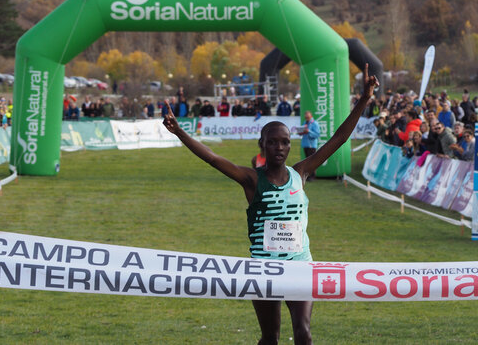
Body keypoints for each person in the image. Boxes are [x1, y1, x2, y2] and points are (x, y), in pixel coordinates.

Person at [161, 63, 378, 345]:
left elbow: (339, 138)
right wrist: (180, 133)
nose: (279, 147)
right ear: (262, 144)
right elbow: (213, 158)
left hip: (301, 266)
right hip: (263, 270)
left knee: (304, 333)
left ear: (290, 146)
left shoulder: (301, 173)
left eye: (285, 142)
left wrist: (364, 98)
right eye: (272, 142)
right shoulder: (251, 179)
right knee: (270, 338)